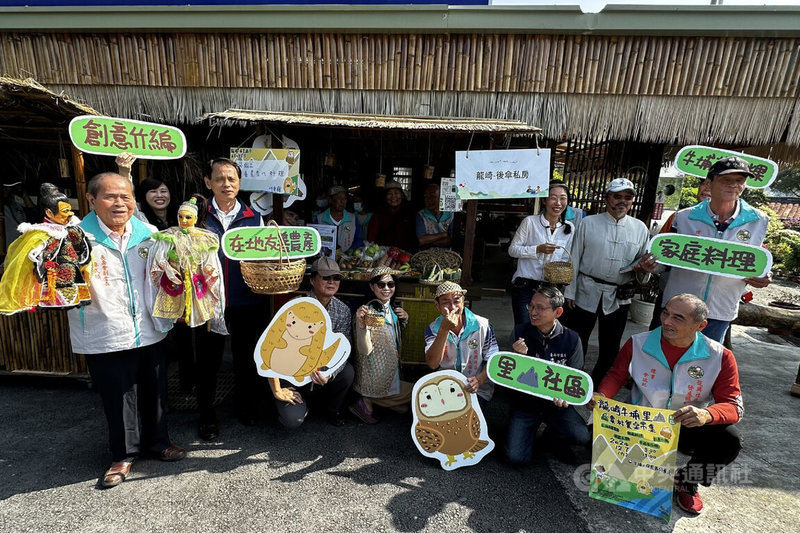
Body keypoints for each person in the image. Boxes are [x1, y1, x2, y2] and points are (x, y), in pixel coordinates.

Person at [66, 172, 185, 489]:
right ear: (91, 200)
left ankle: (159, 442)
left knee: (154, 391)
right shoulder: (76, 238)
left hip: (148, 326)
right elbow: (60, 284)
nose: (120, 203)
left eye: (126, 196)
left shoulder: (146, 231)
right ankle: (124, 455)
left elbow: (165, 271)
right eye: (110, 196)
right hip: (105, 328)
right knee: (119, 397)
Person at [589, 294, 743, 514]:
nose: (667, 321)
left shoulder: (720, 356)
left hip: (685, 425)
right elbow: (616, 375)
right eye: (665, 313)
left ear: (700, 326)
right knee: (592, 444)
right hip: (640, 424)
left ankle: (687, 480)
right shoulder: (638, 343)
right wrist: (603, 395)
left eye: (678, 318)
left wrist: (706, 415)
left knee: (729, 439)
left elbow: (733, 405)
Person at [661, 157, 771, 343]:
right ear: (709, 183)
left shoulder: (759, 221)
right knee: (665, 359)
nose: (734, 186)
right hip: (678, 310)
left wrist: (764, 275)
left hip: (720, 309)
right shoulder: (684, 217)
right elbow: (663, 260)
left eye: (740, 181)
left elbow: (757, 258)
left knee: (704, 366)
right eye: (726, 180)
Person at [147, 194, 228, 440]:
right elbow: (156, 262)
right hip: (175, 295)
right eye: (181, 216)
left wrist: (211, 288)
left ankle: (207, 410)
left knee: (206, 357)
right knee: (182, 350)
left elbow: (213, 268)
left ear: (196, 217)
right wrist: (168, 270)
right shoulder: (167, 236)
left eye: (188, 217)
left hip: (201, 298)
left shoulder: (205, 238)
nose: (183, 220)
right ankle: (182, 388)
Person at [564, 178, 657, 383]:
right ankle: (572, 382)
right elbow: (574, 257)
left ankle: (599, 386)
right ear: (607, 198)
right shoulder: (589, 223)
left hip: (618, 295)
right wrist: (569, 291)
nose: (622, 201)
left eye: (627, 197)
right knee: (577, 340)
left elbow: (642, 267)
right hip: (586, 290)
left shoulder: (640, 228)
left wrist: (645, 270)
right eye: (617, 196)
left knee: (611, 345)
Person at [201, 157, 269, 427]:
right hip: (207, 300)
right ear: (208, 182)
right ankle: (207, 416)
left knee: (245, 357)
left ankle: (246, 408)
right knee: (208, 360)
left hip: (246, 300)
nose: (226, 184)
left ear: (240, 183)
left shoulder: (255, 218)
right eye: (219, 178)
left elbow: (264, 260)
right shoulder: (197, 216)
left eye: (231, 179)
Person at [506, 286, 590, 465]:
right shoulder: (519, 332)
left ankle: (552, 435)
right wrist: (516, 359)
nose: (533, 312)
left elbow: (577, 379)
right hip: (526, 404)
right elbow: (505, 378)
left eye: (540, 308)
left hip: (557, 406)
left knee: (581, 436)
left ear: (557, 312)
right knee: (515, 458)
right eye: (531, 306)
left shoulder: (572, 339)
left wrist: (566, 397)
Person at [269, 256, 355, 428]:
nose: (332, 282)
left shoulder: (342, 310)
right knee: (292, 420)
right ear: (312, 279)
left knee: (347, 371)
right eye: (325, 277)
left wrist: (329, 372)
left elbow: (344, 349)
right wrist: (278, 387)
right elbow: (272, 348)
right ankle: (285, 404)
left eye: (336, 278)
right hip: (293, 375)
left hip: (321, 372)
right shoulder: (294, 307)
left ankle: (332, 409)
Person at [0, 183, 92, 314]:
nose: (71, 214)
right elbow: (31, 257)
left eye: (70, 210)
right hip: (53, 275)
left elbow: (82, 249)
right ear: (49, 212)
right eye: (65, 211)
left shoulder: (72, 228)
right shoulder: (40, 233)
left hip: (72, 270)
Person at [349, 266, 412, 424]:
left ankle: (369, 401)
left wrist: (405, 319)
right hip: (376, 376)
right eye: (381, 285)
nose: (386, 289)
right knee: (419, 390)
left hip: (390, 371)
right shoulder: (367, 312)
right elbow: (364, 350)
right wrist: (361, 326)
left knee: (403, 408)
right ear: (372, 286)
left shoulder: (392, 309)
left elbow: (390, 336)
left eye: (390, 285)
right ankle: (367, 398)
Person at [508, 180, 575, 326]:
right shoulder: (530, 222)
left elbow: (565, 258)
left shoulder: (568, 228)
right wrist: (537, 249)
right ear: (544, 200)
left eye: (563, 198)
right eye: (553, 197)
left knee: (543, 330)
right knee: (524, 328)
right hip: (525, 285)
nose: (558, 203)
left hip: (550, 288)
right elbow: (513, 250)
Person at [424, 281, 499, 406]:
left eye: (457, 301)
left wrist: (479, 380)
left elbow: (494, 359)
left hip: (477, 390)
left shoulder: (482, 325)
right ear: (437, 305)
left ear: (463, 301)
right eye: (446, 302)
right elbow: (432, 363)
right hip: (445, 389)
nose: (452, 307)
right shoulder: (433, 329)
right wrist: (444, 330)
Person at [367, 181, 416, 251]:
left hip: (405, 254)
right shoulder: (378, 214)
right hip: (383, 255)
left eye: (396, 193)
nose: (393, 196)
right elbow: (371, 238)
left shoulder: (410, 213)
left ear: (402, 195)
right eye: (389, 193)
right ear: (385, 197)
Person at [312, 185, 362, 253]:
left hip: (345, 260)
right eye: (339, 198)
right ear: (330, 200)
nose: (342, 202)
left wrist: (349, 252)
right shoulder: (320, 219)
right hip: (325, 259)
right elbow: (313, 240)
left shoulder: (353, 219)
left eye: (344, 199)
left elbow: (359, 239)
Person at [415, 182, 453, 250]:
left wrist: (428, 242)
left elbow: (451, 241)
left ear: (441, 198)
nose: (428, 200)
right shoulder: (421, 215)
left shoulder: (451, 215)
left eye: (432, 196)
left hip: (448, 255)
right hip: (426, 255)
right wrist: (444, 234)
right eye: (426, 197)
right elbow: (421, 240)